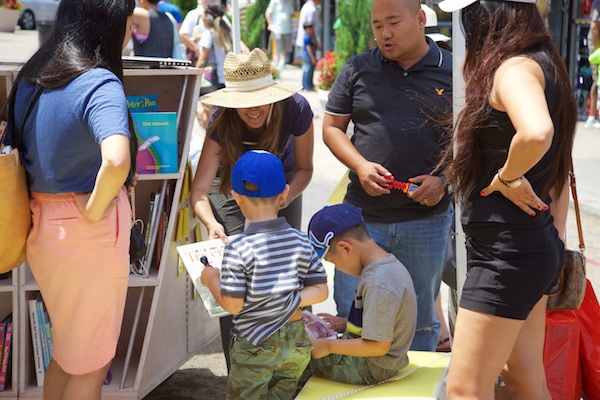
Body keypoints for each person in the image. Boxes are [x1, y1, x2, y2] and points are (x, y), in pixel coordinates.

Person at [437, 0, 577, 397]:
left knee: (464, 388)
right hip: (526, 246)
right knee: (524, 379)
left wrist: (506, 176)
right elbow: (560, 162)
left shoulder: (514, 68)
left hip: (506, 253)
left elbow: (536, 133)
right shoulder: (542, 62)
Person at [5, 0, 135, 398]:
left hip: (43, 228)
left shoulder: (33, 77)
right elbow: (116, 159)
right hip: (86, 237)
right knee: (91, 365)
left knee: (67, 353)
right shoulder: (99, 82)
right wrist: (96, 210)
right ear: (112, 24)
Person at [322, 0, 453, 351]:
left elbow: (471, 142)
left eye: (393, 22)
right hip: (363, 221)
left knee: (422, 319)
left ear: (421, 18)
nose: (385, 33)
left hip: (426, 221)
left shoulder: (454, 70)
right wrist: (361, 166)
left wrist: (444, 181)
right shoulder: (358, 68)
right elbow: (332, 128)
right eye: (377, 25)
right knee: (354, 317)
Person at [190, 48, 316, 371]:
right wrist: (211, 223)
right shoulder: (222, 119)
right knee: (233, 265)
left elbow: (305, 169)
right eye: (244, 103)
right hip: (230, 186)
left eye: (259, 99)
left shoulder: (296, 108)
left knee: (285, 264)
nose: (253, 110)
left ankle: (287, 360)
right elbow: (200, 190)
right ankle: (238, 366)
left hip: (282, 184)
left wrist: (285, 197)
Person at [200, 150, 328, 399]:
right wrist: (285, 300)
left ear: (236, 197)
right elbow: (321, 291)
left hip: (254, 343)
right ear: (284, 194)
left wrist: (212, 279)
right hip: (295, 341)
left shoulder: (238, 248)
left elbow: (234, 305)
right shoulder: (301, 241)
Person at [298, 204, 417, 387]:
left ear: (345, 248)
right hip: (370, 360)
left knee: (291, 363)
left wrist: (328, 346)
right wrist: (345, 324)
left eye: (332, 261)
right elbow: (381, 325)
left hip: (370, 367)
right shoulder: (382, 268)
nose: (337, 267)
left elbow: (378, 346)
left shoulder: (379, 282)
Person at [196, 3, 233, 127]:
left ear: (208, 18)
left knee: (208, 114)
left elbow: (202, 60)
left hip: (211, 81)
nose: (202, 18)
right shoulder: (226, 30)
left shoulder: (208, 33)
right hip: (226, 80)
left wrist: (194, 74)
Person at [265, 0, 294, 68]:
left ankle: (281, 60)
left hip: (287, 28)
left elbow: (291, 14)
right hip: (277, 28)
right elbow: (268, 13)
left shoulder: (289, 2)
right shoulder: (274, 2)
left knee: (287, 46)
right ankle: (280, 61)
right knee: (279, 45)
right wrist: (270, 24)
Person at [587, 0, 600, 128]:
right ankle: (592, 117)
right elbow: (594, 27)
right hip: (597, 48)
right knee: (597, 81)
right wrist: (598, 51)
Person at [302, 23, 317, 91]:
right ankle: (306, 86)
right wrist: (312, 58)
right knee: (307, 70)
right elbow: (309, 49)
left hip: (309, 55)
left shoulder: (310, 36)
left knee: (310, 70)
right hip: (308, 56)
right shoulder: (307, 37)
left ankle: (309, 84)